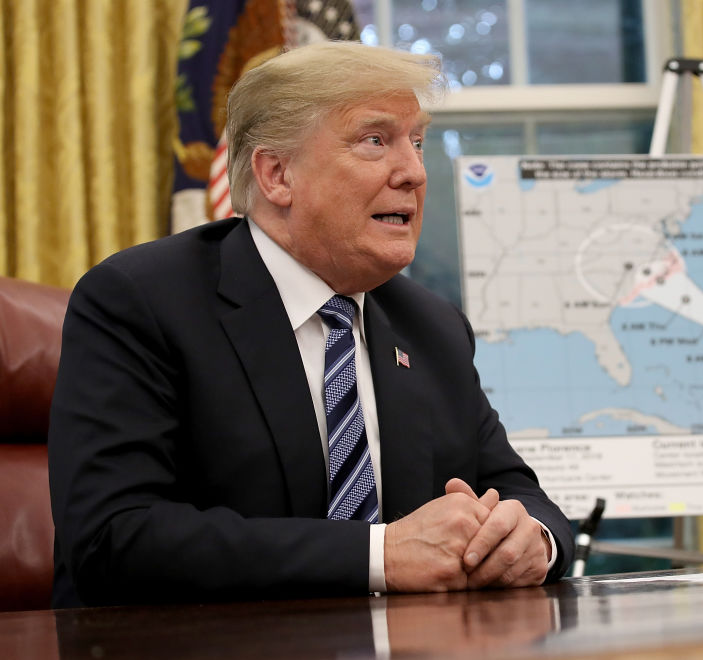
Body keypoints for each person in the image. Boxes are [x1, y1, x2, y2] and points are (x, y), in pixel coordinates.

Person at [48, 40, 573, 608]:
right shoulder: (142, 302)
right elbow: (113, 537)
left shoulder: (432, 326)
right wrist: (381, 555)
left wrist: (533, 542)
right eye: (375, 141)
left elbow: (520, 494)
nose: (415, 173)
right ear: (277, 174)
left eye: (418, 142)